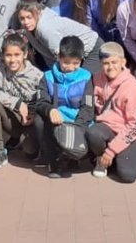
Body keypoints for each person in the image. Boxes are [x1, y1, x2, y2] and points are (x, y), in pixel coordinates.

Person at [28, 36, 94, 178]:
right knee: (40, 120)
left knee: (88, 133)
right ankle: (54, 161)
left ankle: (74, 157)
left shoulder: (86, 77)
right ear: (58, 57)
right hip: (56, 121)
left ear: (81, 60)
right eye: (66, 63)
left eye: (75, 63)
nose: (70, 68)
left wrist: (77, 127)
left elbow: (88, 108)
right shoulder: (47, 77)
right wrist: (50, 109)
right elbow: (40, 102)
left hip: (77, 123)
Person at [0, 34, 44, 170]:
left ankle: (28, 145)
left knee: (30, 153)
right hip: (11, 117)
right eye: (8, 55)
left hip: (29, 122)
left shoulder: (37, 75)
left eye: (17, 55)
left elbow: (44, 100)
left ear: (25, 54)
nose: (12, 60)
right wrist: (17, 103)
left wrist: (33, 114)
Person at [86, 42, 136, 183]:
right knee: (93, 133)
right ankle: (100, 158)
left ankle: (113, 156)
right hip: (105, 128)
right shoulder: (97, 78)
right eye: (106, 63)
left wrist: (111, 151)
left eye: (114, 62)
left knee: (128, 176)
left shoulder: (132, 87)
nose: (110, 67)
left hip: (126, 132)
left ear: (123, 62)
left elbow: (135, 125)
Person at [16, 0, 101, 75]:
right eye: (22, 18)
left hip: (91, 49)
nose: (26, 22)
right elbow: (49, 58)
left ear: (37, 13)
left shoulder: (46, 29)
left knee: (84, 84)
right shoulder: (27, 29)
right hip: (71, 55)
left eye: (29, 17)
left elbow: (62, 58)